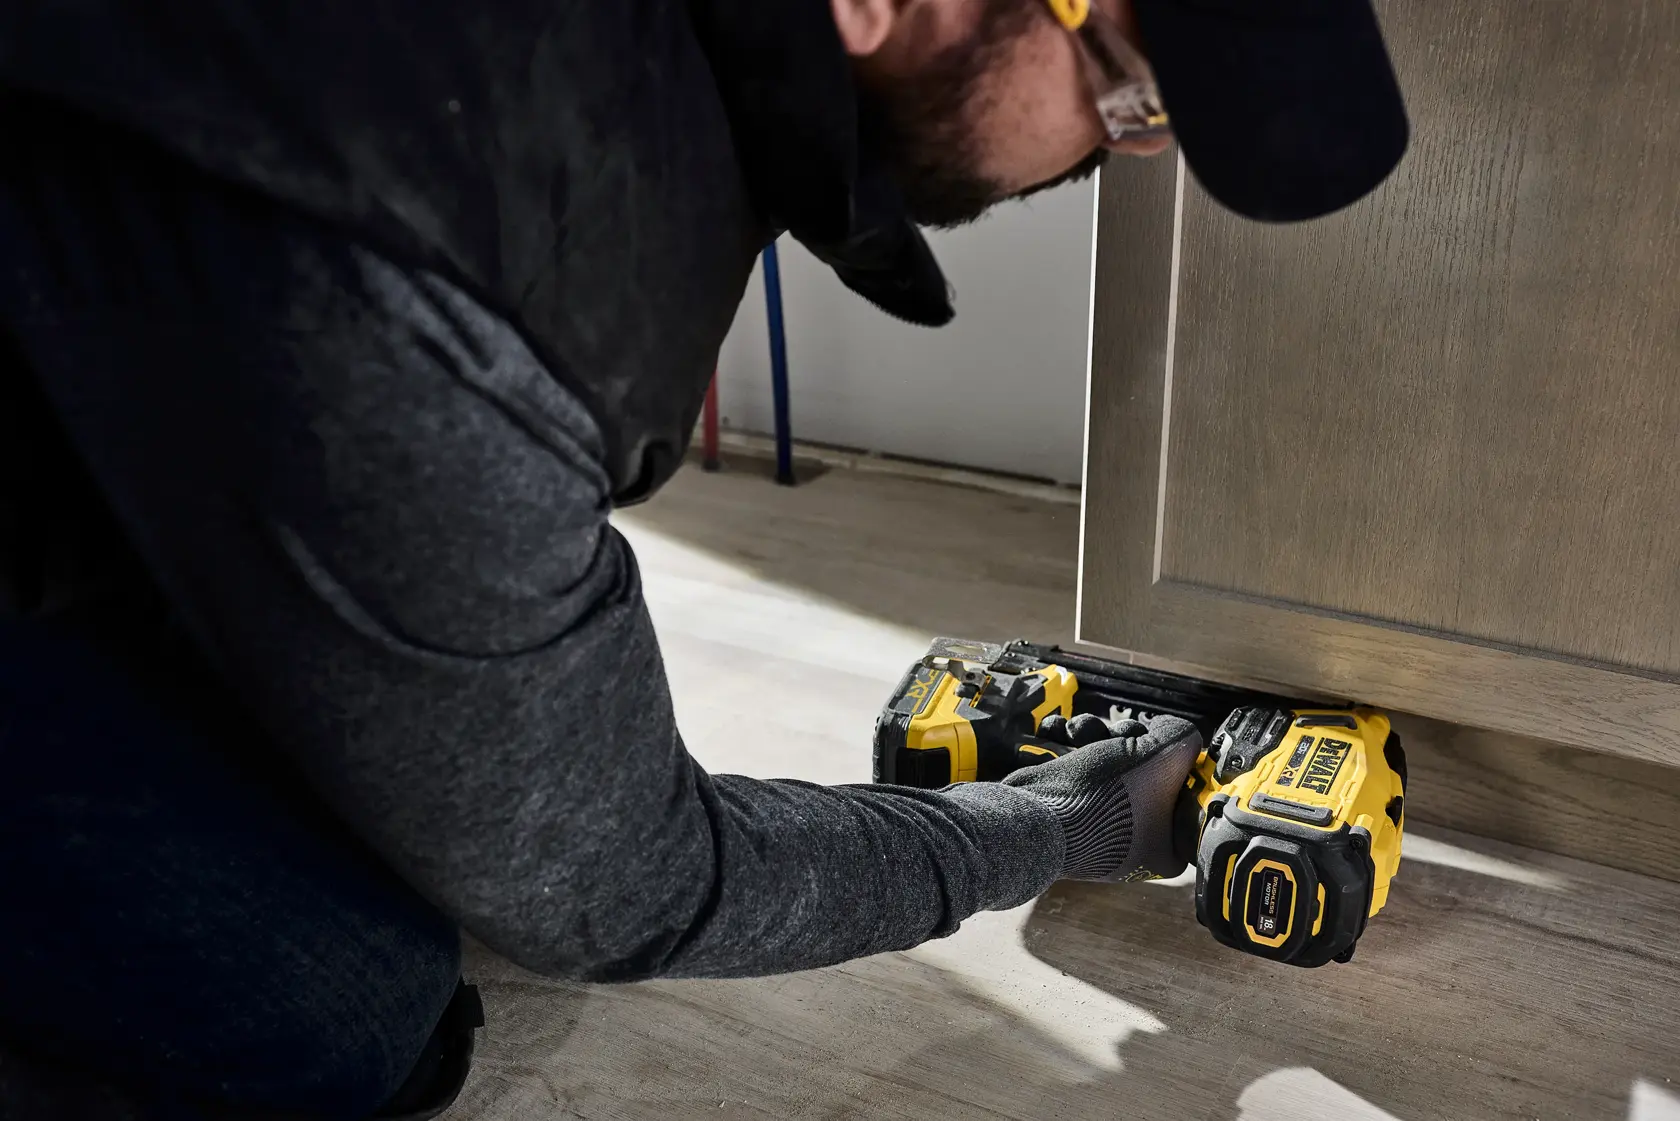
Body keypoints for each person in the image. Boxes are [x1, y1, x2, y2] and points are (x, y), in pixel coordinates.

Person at [0, 0, 1406, 1115]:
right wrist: (1060, 829)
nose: (1115, 149)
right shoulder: (479, 236)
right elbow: (617, 888)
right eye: (1127, 94)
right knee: (350, 1011)